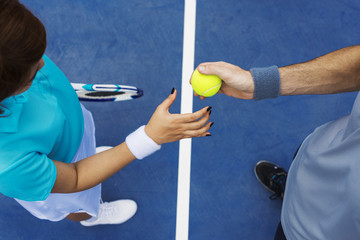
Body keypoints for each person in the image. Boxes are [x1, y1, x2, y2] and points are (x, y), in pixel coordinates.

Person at [0, 0, 213, 227]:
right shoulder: (10, 166)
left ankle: (94, 158)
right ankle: (94, 215)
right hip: (64, 173)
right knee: (79, 206)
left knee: (91, 154)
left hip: (70, 130)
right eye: (32, 69)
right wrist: (148, 137)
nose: (43, 63)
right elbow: (76, 178)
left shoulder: (10, 52)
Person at [192, 45, 360, 239]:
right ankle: (288, 187)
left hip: (308, 234)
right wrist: (259, 83)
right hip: (320, 158)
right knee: (301, 175)